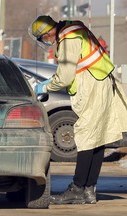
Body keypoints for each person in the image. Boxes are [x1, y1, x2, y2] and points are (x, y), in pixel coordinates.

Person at [29, 15, 127, 204]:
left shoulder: (68, 38)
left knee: (85, 137)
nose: (46, 42)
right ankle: (89, 189)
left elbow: (65, 77)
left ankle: (77, 188)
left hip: (90, 86)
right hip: (101, 83)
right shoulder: (75, 30)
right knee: (98, 138)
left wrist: (45, 86)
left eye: (43, 38)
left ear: (48, 32)